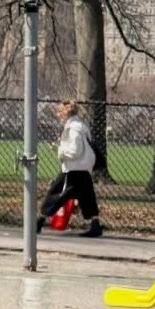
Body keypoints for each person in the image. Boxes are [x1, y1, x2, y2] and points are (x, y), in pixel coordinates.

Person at [38, 100, 103, 236]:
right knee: (87, 196)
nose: (57, 115)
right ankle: (95, 224)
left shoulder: (72, 128)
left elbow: (75, 151)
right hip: (84, 167)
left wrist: (60, 151)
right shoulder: (81, 126)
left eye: (59, 112)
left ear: (65, 113)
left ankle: (39, 221)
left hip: (74, 168)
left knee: (56, 193)